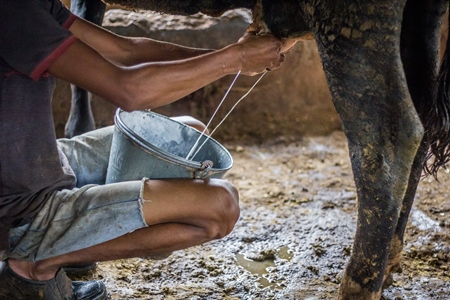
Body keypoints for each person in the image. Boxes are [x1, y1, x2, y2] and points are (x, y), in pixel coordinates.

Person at [0, 0, 295, 299]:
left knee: (191, 133)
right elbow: (129, 91)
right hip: (18, 208)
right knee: (222, 208)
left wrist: (233, 61)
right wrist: (235, 59)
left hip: (42, 160)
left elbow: (124, 51)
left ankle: (62, 243)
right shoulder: (12, 11)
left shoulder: (33, 5)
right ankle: (37, 262)